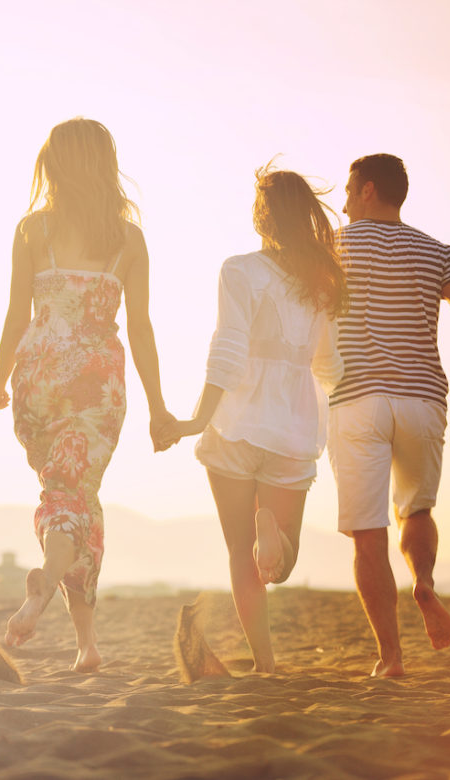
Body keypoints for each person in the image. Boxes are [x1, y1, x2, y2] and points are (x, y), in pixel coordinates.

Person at [0, 118, 175, 672]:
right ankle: (43, 591)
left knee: (72, 496)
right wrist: (158, 407)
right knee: (75, 493)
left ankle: (86, 645)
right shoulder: (128, 240)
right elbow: (140, 329)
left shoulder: (32, 230)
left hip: (38, 379)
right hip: (97, 384)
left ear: (54, 164)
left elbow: (18, 316)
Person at [329, 154, 450, 677]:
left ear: (367, 190)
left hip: (357, 398)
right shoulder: (437, 251)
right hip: (422, 399)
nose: (342, 201)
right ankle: (425, 581)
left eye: (347, 190)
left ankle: (390, 658)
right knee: (417, 511)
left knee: (369, 533)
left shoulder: (334, 245)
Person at [162, 166, 347, 674]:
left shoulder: (238, 270)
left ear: (262, 216)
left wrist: (199, 418)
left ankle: (265, 665)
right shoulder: (322, 282)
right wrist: (335, 396)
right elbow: (329, 364)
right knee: (281, 565)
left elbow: (227, 349)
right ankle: (273, 527)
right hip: (290, 430)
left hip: (234, 424)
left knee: (241, 556)